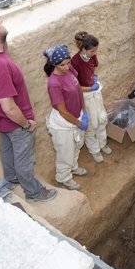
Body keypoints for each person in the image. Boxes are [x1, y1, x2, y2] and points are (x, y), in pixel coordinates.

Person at [0, 13, 58, 203]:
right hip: (16, 122)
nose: (3, 23)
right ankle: (34, 193)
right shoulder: (0, 67)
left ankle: (11, 180)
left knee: (7, 152)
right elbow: (9, 107)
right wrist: (26, 124)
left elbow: (1, 52)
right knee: (24, 159)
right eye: (0, 23)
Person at [43, 44, 88, 191]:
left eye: (68, 62)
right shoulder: (54, 83)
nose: (67, 67)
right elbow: (63, 112)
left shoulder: (69, 71)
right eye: (62, 65)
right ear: (54, 64)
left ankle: (73, 168)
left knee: (76, 146)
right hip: (63, 124)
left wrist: (84, 111)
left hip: (76, 117)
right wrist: (79, 123)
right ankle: (64, 178)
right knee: (65, 153)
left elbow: (78, 88)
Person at [70, 32, 112, 164]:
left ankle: (102, 144)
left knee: (101, 119)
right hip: (85, 96)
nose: (94, 53)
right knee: (91, 125)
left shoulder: (92, 56)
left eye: (96, 50)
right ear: (83, 49)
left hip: (95, 91)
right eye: (92, 51)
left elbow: (93, 68)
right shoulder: (74, 62)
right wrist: (89, 88)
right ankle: (95, 150)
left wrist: (94, 78)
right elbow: (75, 86)